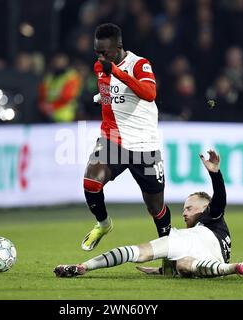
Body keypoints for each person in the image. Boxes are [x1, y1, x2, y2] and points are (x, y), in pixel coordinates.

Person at [54, 150, 243, 279]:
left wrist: (215, 173)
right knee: (159, 258)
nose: (184, 212)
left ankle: (233, 267)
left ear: (205, 208)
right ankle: (81, 267)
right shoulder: (194, 231)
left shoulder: (213, 215)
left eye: (189, 208)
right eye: (184, 208)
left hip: (208, 243)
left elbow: (220, 197)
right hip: (194, 247)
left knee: (155, 257)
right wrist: (161, 270)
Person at [81, 23, 171, 257]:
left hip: (145, 145)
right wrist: (102, 97)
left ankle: (170, 250)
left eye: (105, 52)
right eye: (97, 52)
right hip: (113, 140)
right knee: (91, 183)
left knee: (156, 208)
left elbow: (149, 94)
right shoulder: (99, 68)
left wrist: (118, 73)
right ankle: (103, 224)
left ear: (118, 47)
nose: (100, 57)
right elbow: (112, 93)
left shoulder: (140, 64)